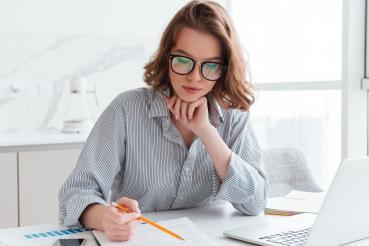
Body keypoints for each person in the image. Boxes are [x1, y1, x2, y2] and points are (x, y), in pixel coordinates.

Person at [58, 0, 268, 242]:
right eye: (182, 60)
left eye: (210, 66)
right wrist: (107, 217)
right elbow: (75, 193)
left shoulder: (233, 117)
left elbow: (256, 202)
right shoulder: (127, 109)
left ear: (224, 68)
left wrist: (206, 132)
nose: (194, 77)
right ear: (167, 57)